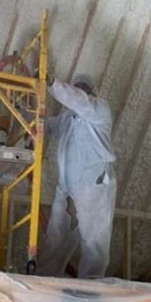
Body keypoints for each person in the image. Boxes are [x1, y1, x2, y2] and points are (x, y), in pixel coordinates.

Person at [40, 74, 116, 278]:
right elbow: (47, 125)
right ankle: (48, 279)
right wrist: (26, 114)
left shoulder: (99, 109)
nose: (79, 92)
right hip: (67, 187)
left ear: (92, 92)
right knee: (55, 235)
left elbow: (79, 100)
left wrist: (52, 84)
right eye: (76, 87)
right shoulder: (68, 118)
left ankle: (90, 288)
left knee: (94, 240)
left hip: (93, 185)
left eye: (83, 89)